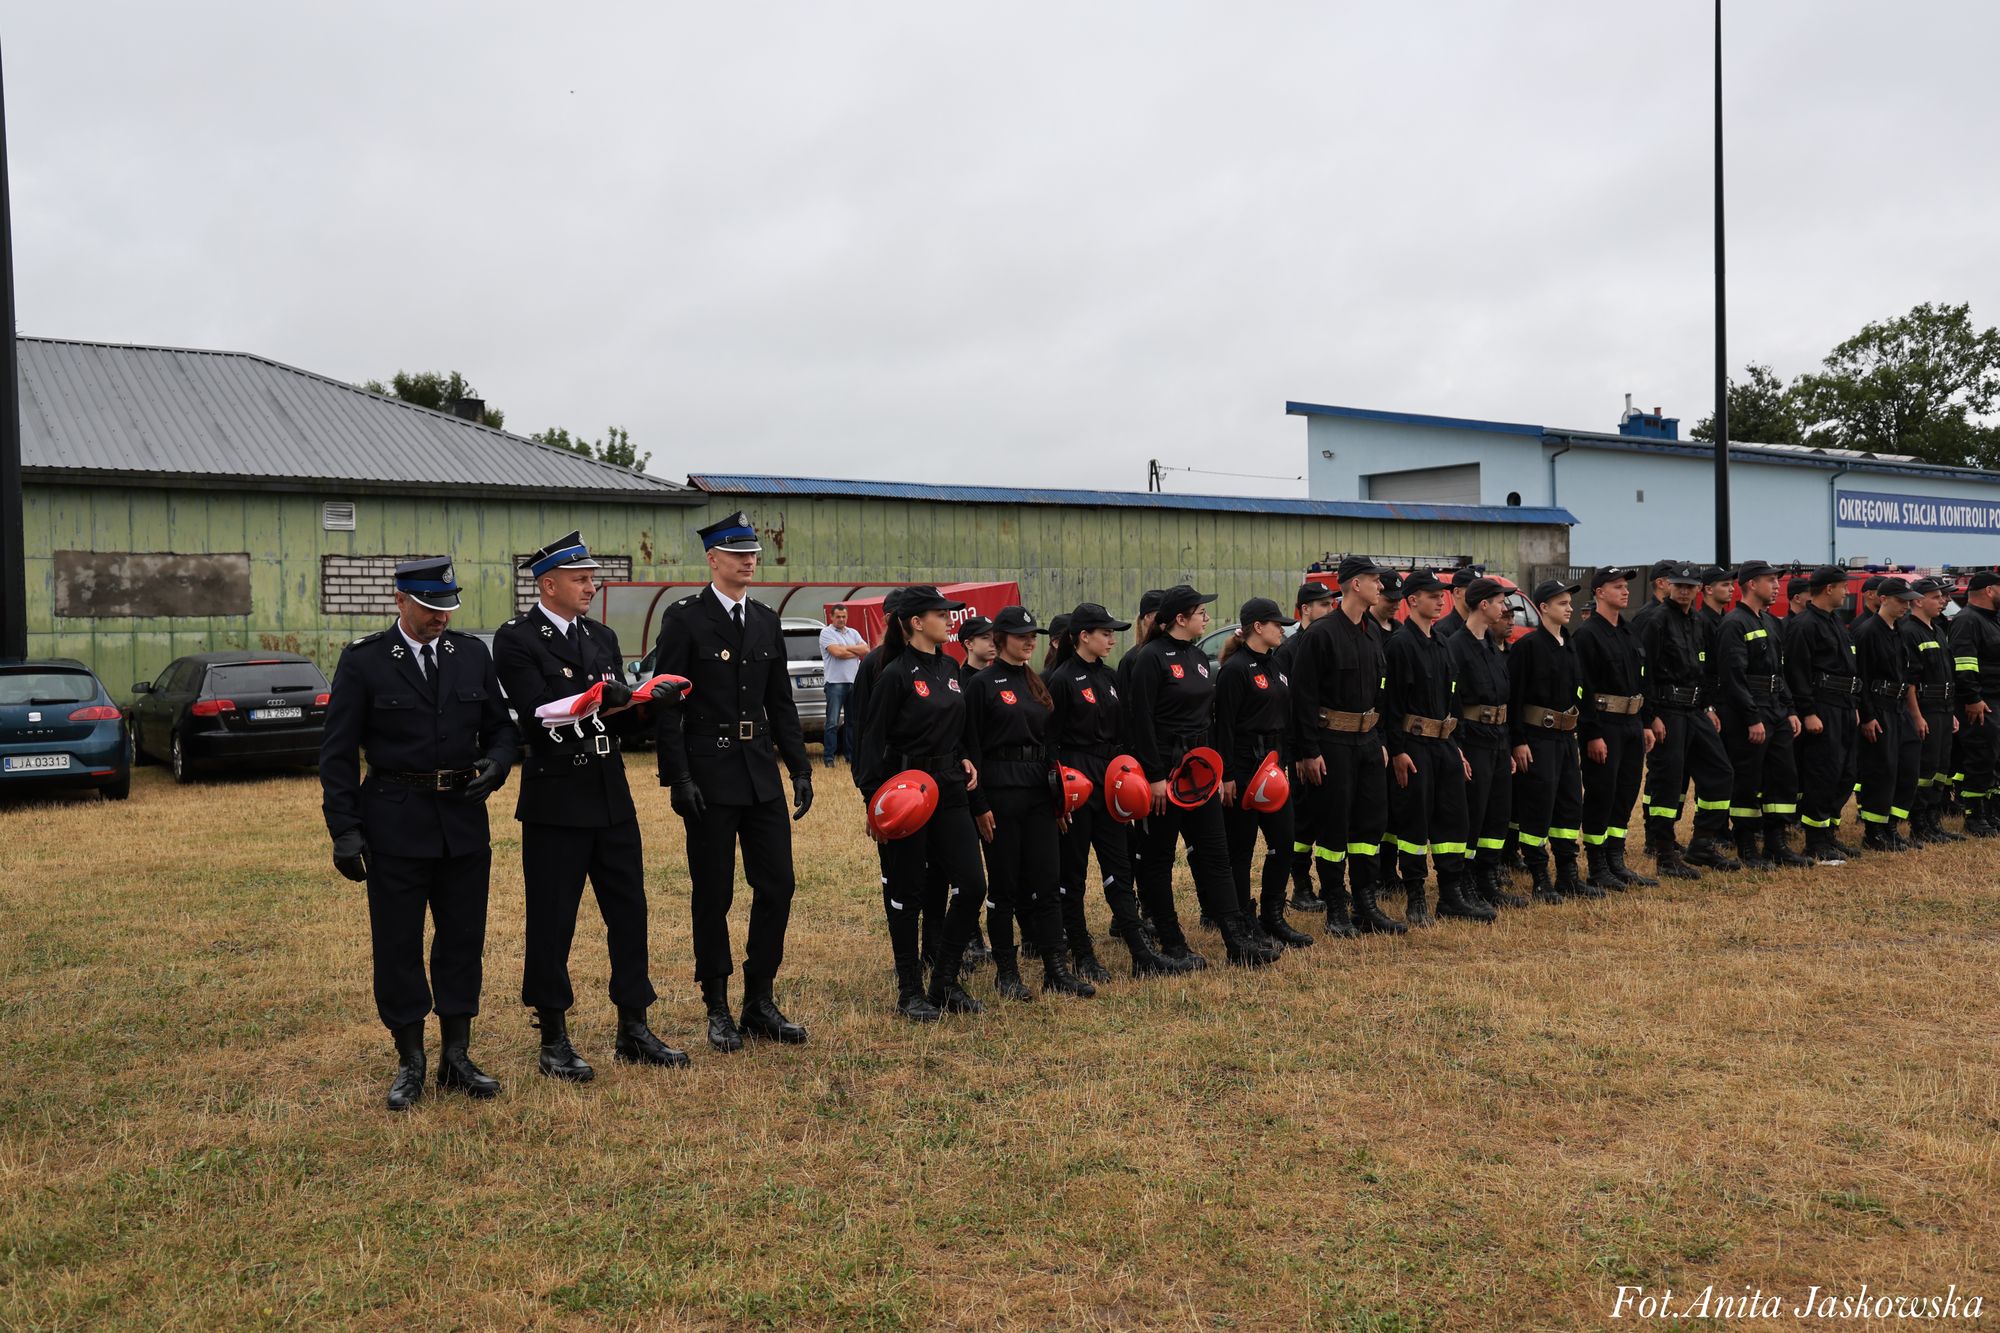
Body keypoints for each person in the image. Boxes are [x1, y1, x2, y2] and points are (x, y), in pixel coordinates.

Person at [320, 557, 519, 1111]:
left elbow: (502, 729)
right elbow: (337, 754)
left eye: (447, 608)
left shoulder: (472, 655)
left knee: (462, 940)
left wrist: (499, 764)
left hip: (461, 824)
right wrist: (344, 829)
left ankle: (457, 1055)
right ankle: (411, 1058)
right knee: (398, 945)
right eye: (430, 608)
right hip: (394, 823)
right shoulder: (364, 662)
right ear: (401, 601)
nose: (440, 619)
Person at [495, 531, 688, 1083]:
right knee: (553, 920)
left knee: (629, 912)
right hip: (557, 795)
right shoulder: (517, 640)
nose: (590, 586)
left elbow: (618, 714)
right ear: (547, 584)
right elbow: (538, 713)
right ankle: (553, 1036)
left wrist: (649, 705)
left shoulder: (600, 636)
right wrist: (606, 699)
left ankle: (634, 1024)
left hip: (609, 790)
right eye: (579, 579)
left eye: (590, 577)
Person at [650, 512, 814, 1054]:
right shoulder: (685, 619)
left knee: (778, 886)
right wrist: (677, 776)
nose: (749, 562)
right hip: (710, 774)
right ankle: (717, 1006)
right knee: (713, 894)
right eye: (737, 553)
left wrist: (799, 767)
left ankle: (759, 999)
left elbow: (780, 703)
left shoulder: (766, 619)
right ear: (713, 559)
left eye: (752, 554)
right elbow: (666, 703)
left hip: (758, 776)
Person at [854, 586, 990, 1019]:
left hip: (949, 788)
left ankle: (944, 982)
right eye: (941, 614)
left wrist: (966, 757)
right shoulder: (893, 673)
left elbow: (960, 726)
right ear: (916, 622)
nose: (950, 619)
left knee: (971, 884)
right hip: (906, 791)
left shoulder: (950, 667)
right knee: (906, 893)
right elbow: (869, 744)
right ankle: (910, 992)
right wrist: (875, 803)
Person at [1126, 584, 1279, 967]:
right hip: (1165, 774)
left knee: (1216, 854)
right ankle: (1172, 941)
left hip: (1199, 773)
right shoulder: (1150, 658)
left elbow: (1207, 718)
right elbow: (1140, 720)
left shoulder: (1197, 657)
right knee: (1159, 859)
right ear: (1180, 618)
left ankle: (1235, 939)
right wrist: (1155, 775)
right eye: (1201, 613)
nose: (1207, 619)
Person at [1044, 603, 1192, 978]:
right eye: (1105, 632)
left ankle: (1141, 953)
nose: (1112, 638)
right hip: (1077, 787)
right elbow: (1050, 743)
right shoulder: (1060, 680)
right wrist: (1058, 797)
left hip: (1111, 784)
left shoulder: (1110, 678)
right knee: (1073, 876)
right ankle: (1083, 956)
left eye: (1113, 632)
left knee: (1120, 868)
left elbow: (1125, 731)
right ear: (1083, 636)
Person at [966, 606, 1097, 1000]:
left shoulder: (1035, 681)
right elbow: (970, 748)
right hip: (1000, 794)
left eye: (1033, 636)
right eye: (1021, 635)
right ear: (1000, 637)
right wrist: (979, 804)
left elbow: (1049, 743)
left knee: (1047, 881)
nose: (1029, 641)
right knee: (1005, 887)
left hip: (1039, 793)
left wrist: (1059, 800)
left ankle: (1056, 969)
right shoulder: (982, 684)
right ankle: (1007, 973)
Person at [1290, 557, 1401, 935]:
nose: (1380, 587)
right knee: (1335, 828)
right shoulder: (1321, 634)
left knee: (1370, 824)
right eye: (1374, 580)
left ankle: (1365, 904)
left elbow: (1380, 693)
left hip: (1368, 742)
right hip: (1331, 743)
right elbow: (1303, 698)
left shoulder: (1371, 633)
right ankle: (1336, 908)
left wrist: (1381, 740)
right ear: (1355, 585)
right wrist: (1308, 751)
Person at [1382, 571, 1491, 924]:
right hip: (1413, 745)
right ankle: (1415, 896)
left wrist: (1457, 748)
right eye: (1432, 595)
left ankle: (1451, 893)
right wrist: (1397, 751)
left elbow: (1454, 701)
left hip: (1444, 744)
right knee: (1414, 822)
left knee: (1453, 819)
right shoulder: (1400, 644)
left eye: (1442, 594)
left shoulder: (1441, 643)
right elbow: (1391, 704)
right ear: (1412, 600)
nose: (1441, 599)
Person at [1215, 597, 1316, 948]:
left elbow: (1287, 720)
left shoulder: (1278, 666)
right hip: (1243, 770)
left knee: (1283, 844)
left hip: (1273, 771)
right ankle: (1244, 919)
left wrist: (1289, 760)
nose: (1283, 629)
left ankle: (1272, 915)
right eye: (1276, 624)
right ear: (1258, 627)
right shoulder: (1234, 670)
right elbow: (1223, 727)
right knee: (1240, 851)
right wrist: (1226, 774)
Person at [1632, 561, 1728, 879]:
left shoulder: (1699, 622)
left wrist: (1710, 707)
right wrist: (1651, 716)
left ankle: (1703, 842)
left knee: (1720, 771)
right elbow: (1643, 672)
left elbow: (1709, 669)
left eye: (1689, 586)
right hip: (1667, 711)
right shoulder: (1656, 620)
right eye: (1679, 586)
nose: (1684, 591)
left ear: (1698, 589)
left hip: (1695, 709)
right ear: (1669, 586)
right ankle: (1664, 851)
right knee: (1668, 782)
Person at [1573, 567, 1657, 891]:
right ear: (1599, 593)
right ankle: (1597, 865)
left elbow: (1642, 680)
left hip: (1632, 724)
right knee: (1602, 794)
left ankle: (1615, 860)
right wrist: (1591, 732)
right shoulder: (1587, 635)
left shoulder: (1629, 631)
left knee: (1625, 794)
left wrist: (1646, 722)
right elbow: (1584, 687)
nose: (1625, 591)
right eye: (1617, 586)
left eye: (1626, 586)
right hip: (1604, 724)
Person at [1717, 560, 1805, 870]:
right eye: (1770, 580)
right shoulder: (1733, 624)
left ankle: (1776, 843)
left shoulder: (1771, 622)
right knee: (1748, 779)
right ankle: (1746, 845)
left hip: (1777, 709)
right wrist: (1752, 717)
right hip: (1749, 712)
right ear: (1752, 584)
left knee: (1783, 776)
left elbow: (1779, 672)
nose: (1777, 586)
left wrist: (1790, 709)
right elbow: (1733, 677)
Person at [1508, 579, 1591, 902]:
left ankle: (1568, 875)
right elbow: (1513, 698)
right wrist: (1518, 741)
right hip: (1537, 738)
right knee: (1538, 808)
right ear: (1543, 608)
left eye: (1569, 603)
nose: (1569, 608)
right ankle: (1540, 877)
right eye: (1562, 603)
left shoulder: (1568, 644)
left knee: (1570, 806)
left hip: (1565, 738)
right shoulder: (1527, 647)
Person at [1448, 576, 1524, 909]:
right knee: (1473, 813)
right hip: (1473, 739)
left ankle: (1487, 878)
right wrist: (1459, 748)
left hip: (1497, 740)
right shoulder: (1456, 646)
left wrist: (1506, 746)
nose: (1504, 608)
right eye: (1499, 601)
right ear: (1483, 605)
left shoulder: (1491, 646)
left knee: (1497, 813)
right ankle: (1463, 881)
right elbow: (1451, 703)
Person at [1784, 565, 1861, 865]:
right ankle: (1815, 841)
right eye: (1843, 586)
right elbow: (1797, 671)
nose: (1846, 591)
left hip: (1843, 705)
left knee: (1846, 772)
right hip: (1822, 706)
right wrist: (1808, 712)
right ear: (1829, 588)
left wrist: (1853, 706)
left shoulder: (1834, 623)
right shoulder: (1804, 625)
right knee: (1822, 773)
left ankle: (1828, 833)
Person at [1280, 581, 1336, 912]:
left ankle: (1330, 882)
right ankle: (1301, 885)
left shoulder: (1329, 642)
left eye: (1331, 605)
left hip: (1329, 744)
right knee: (1303, 822)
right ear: (1305, 610)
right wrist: (1299, 753)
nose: (1330, 611)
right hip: (1303, 749)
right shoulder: (1291, 650)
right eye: (1324, 606)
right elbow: (1290, 708)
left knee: (1329, 815)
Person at [1853, 577, 1919, 852]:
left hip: (1899, 705)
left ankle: (1891, 825)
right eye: (1901, 600)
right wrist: (1868, 715)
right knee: (1883, 769)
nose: (1906, 605)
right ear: (1884, 599)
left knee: (1907, 766)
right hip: (1879, 706)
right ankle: (1874, 831)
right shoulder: (1868, 631)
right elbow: (1862, 677)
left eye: (1908, 601)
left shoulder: (1899, 630)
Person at [1900, 577, 1961, 845]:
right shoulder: (1910, 631)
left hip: (1945, 708)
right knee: (1924, 771)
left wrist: (1953, 712)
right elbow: (1910, 681)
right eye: (1937, 597)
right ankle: (1919, 823)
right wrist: (1916, 716)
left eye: (1944, 597)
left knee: (1940, 769)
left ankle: (1934, 821)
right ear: (1918, 600)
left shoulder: (1936, 629)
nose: (1944, 601)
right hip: (1926, 709)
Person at [818, 605, 868, 766]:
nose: (841, 619)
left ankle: (851, 756)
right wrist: (855, 651)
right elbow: (837, 653)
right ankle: (829, 758)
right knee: (832, 722)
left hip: (853, 682)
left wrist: (845, 648)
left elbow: (866, 649)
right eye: (838, 616)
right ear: (832, 617)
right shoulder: (826, 632)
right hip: (835, 683)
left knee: (852, 722)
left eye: (844, 617)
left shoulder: (852, 632)